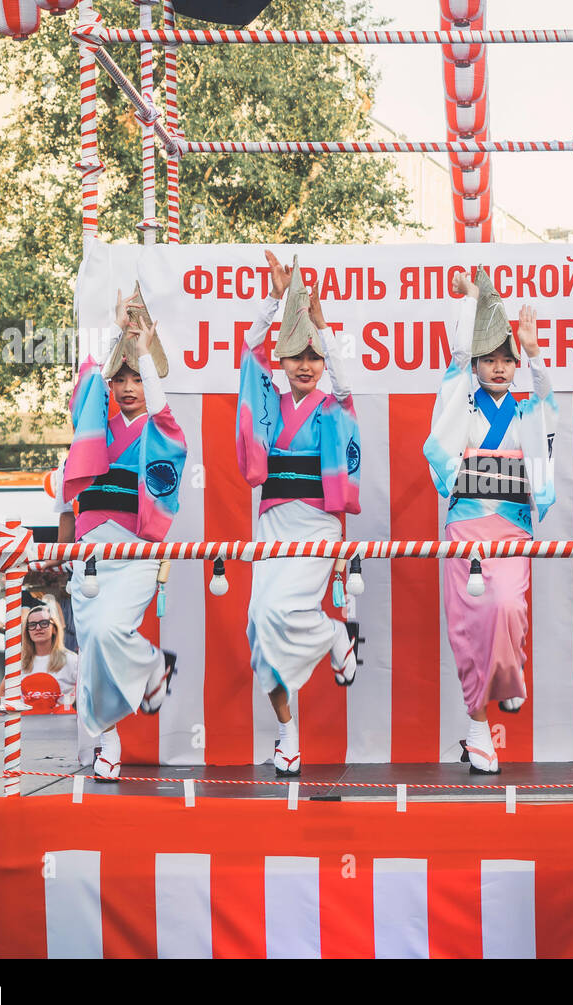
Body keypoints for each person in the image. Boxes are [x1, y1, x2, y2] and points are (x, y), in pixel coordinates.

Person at [423, 267, 556, 774]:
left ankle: (509, 671)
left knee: (507, 610)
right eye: (490, 360)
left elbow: (548, 406)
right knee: (467, 625)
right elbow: (456, 366)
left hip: (510, 526)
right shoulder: (463, 401)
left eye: (508, 360)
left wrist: (535, 351)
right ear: (477, 363)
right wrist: (472, 305)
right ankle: (477, 729)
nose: (499, 369)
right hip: (466, 528)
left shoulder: (526, 411)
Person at [237, 251, 361, 778]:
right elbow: (247, 353)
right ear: (282, 362)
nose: (306, 365)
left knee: (277, 613)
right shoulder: (268, 402)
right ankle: (287, 731)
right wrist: (275, 301)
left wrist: (320, 327)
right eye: (295, 357)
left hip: (315, 525)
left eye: (313, 357)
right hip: (271, 524)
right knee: (256, 627)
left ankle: (335, 635)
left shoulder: (333, 406)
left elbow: (346, 383)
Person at [57, 285, 186, 782]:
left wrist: (143, 349)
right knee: (91, 653)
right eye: (122, 377)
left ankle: (152, 664)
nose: (128, 386)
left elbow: (162, 412)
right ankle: (108, 744)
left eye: (136, 377)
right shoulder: (95, 421)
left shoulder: (157, 427)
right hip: (89, 554)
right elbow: (87, 374)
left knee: (112, 632)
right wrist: (116, 330)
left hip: (134, 551)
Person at [20, 602, 79, 713]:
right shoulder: (19, 663)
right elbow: (3, 693)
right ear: (27, 631)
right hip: (26, 726)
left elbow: (88, 694)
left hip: (62, 726)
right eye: (32, 625)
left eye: (44, 623)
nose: (38, 628)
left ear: (54, 628)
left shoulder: (72, 660)